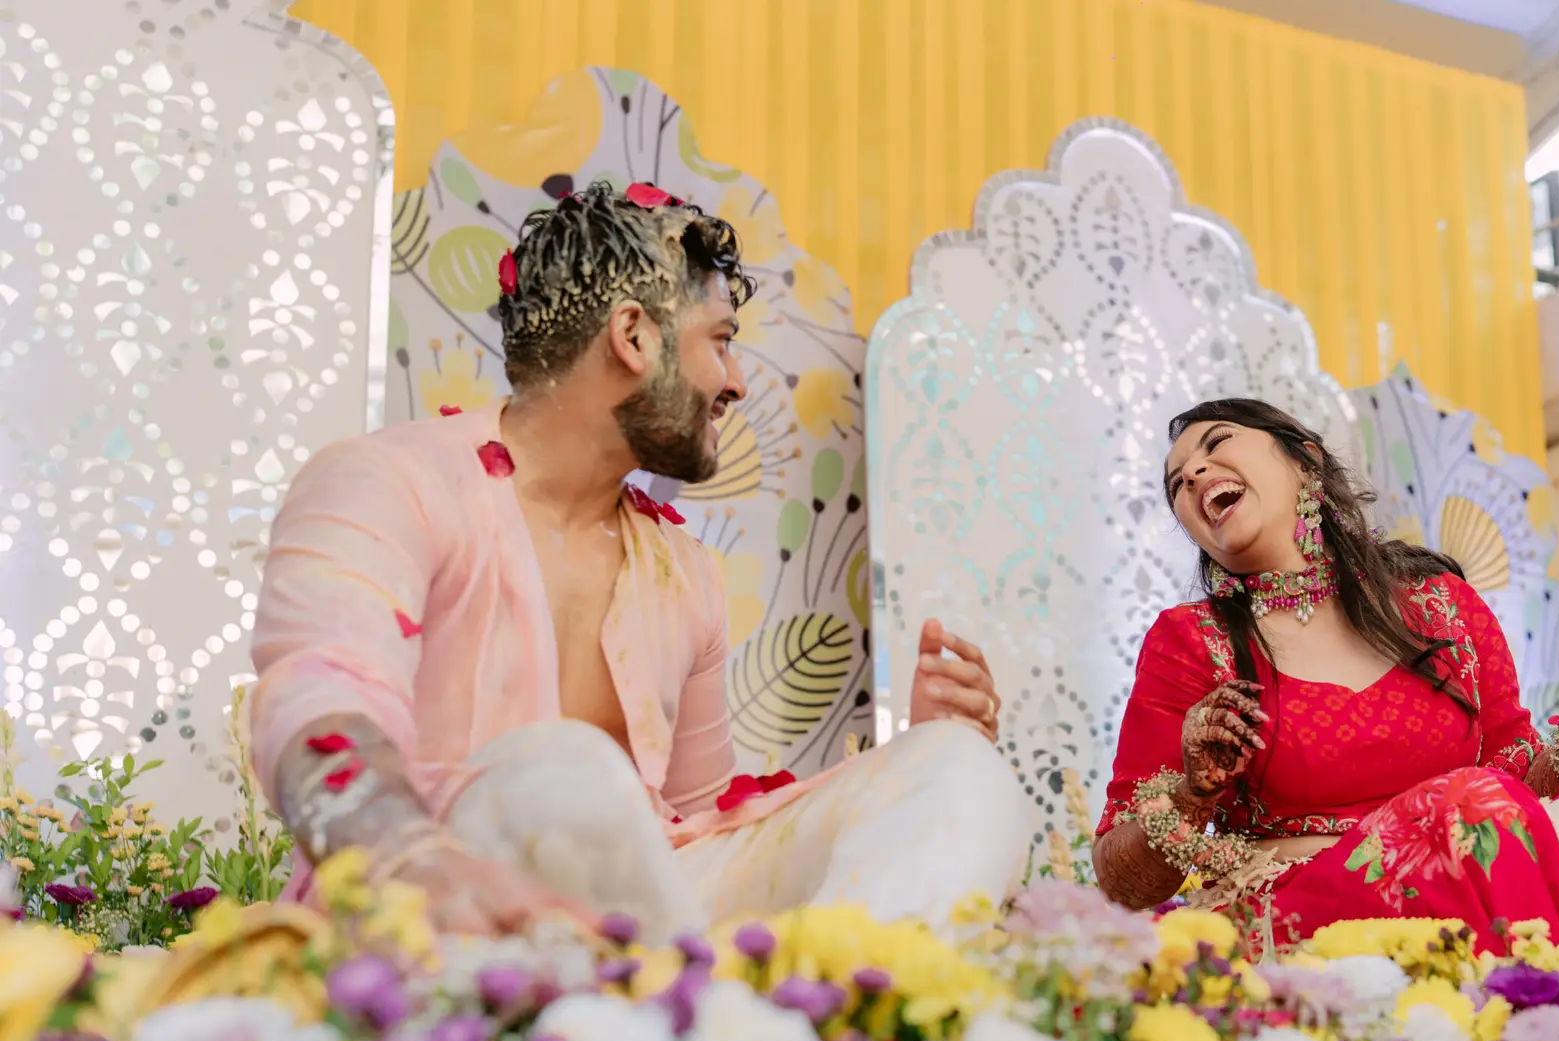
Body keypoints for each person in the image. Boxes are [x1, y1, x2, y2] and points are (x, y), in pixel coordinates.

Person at [251, 180, 1026, 942]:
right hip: (429, 919)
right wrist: (408, 856)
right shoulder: (387, 482)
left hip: (646, 926)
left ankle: (822, 1005)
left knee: (958, 768)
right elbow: (318, 706)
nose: (737, 382)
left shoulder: (686, 573)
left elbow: (704, 827)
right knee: (565, 771)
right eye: (720, 341)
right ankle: (704, 1007)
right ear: (633, 336)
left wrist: (908, 766)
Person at [1092, 398, 1559, 955]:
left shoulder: (1442, 605)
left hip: (1472, 871)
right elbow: (1122, 883)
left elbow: (1520, 790)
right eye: (1176, 482)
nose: (1193, 473)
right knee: (1467, 808)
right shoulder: (1191, 641)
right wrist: (1192, 793)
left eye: (1216, 444)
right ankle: (1538, 1014)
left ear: (1305, 462)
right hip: (1304, 916)